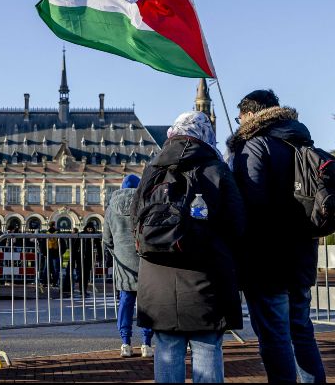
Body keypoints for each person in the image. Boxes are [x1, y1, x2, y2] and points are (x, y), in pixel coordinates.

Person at [134, 111, 245, 383]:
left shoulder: (152, 169)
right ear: (207, 136)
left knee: (168, 350)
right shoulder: (216, 170)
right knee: (206, 348)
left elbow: (135, 222)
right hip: (205, 281)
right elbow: (236, 226)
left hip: (157, 282)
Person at [226, 89, 325, 383]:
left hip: (267, 259)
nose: (238, 123)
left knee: (275, 336)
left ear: (251, 114)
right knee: (302, 332)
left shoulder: (255, 146)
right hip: (302, 255)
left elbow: (251, 204)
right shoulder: (302, 142)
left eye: (240, 117)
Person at [103, 174, 154, 358]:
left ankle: (125, 343)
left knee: (125, 301)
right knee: (147, 303)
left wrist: (117, 254)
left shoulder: (110, 209)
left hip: (124, 264)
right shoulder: (144, 204)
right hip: (144, 261)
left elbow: (107, 239)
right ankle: (146, 344)